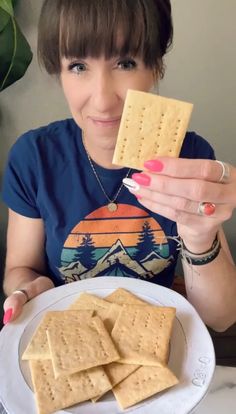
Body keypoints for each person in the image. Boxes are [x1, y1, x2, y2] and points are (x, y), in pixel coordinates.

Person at [1, 0, 236, 332]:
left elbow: (221, 318)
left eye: (125, 63)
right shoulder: (34, 158)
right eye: (79, 66)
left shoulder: (189, 160)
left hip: (155, 335)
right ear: (60, 73)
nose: (102, 99)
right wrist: (30, 288)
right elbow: (20, 268)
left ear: (156, 67)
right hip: (68, 329)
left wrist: (200, 236)